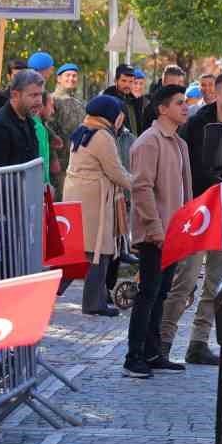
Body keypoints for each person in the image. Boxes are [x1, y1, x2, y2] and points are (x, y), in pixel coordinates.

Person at [171, 71, 222, 365]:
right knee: (186, 279)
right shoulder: (197, 123)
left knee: (217, 280)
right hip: (199, 209)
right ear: (216, 93)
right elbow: (187, 167)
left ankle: (199, 342)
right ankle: (162, 340)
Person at [125, 83, 193, 377]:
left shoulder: (178, 143)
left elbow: (183, 188)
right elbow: (141, 188)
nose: (185, 107)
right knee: (148, 293)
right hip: (156, 234)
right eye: (179, 103)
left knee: (161, 292)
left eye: (185, 102)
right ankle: (134, 356)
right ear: (162, 108)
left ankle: (153, 352)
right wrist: (154, 229)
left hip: (174, 232)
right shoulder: (148, 141)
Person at [64, 95, 135, 317]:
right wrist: (141, 186)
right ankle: (94, 303)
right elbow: (115, 171)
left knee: (80, 252)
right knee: (99, 251)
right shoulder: (103, 135)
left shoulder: (84, 128)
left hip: (80, 194)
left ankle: (52, 290)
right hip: (95, 198)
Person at [0, 69, 45, 170]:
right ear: (15, 95)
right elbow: (0, 173)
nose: (39, 101)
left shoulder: (29, 120)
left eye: (40, 95)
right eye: (34, 95)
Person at [105, 64, 145, 136]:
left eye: (130, 81)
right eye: (124, 81)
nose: (127, 85)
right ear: (115, 80)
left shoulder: (134, 101)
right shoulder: (107, 102)